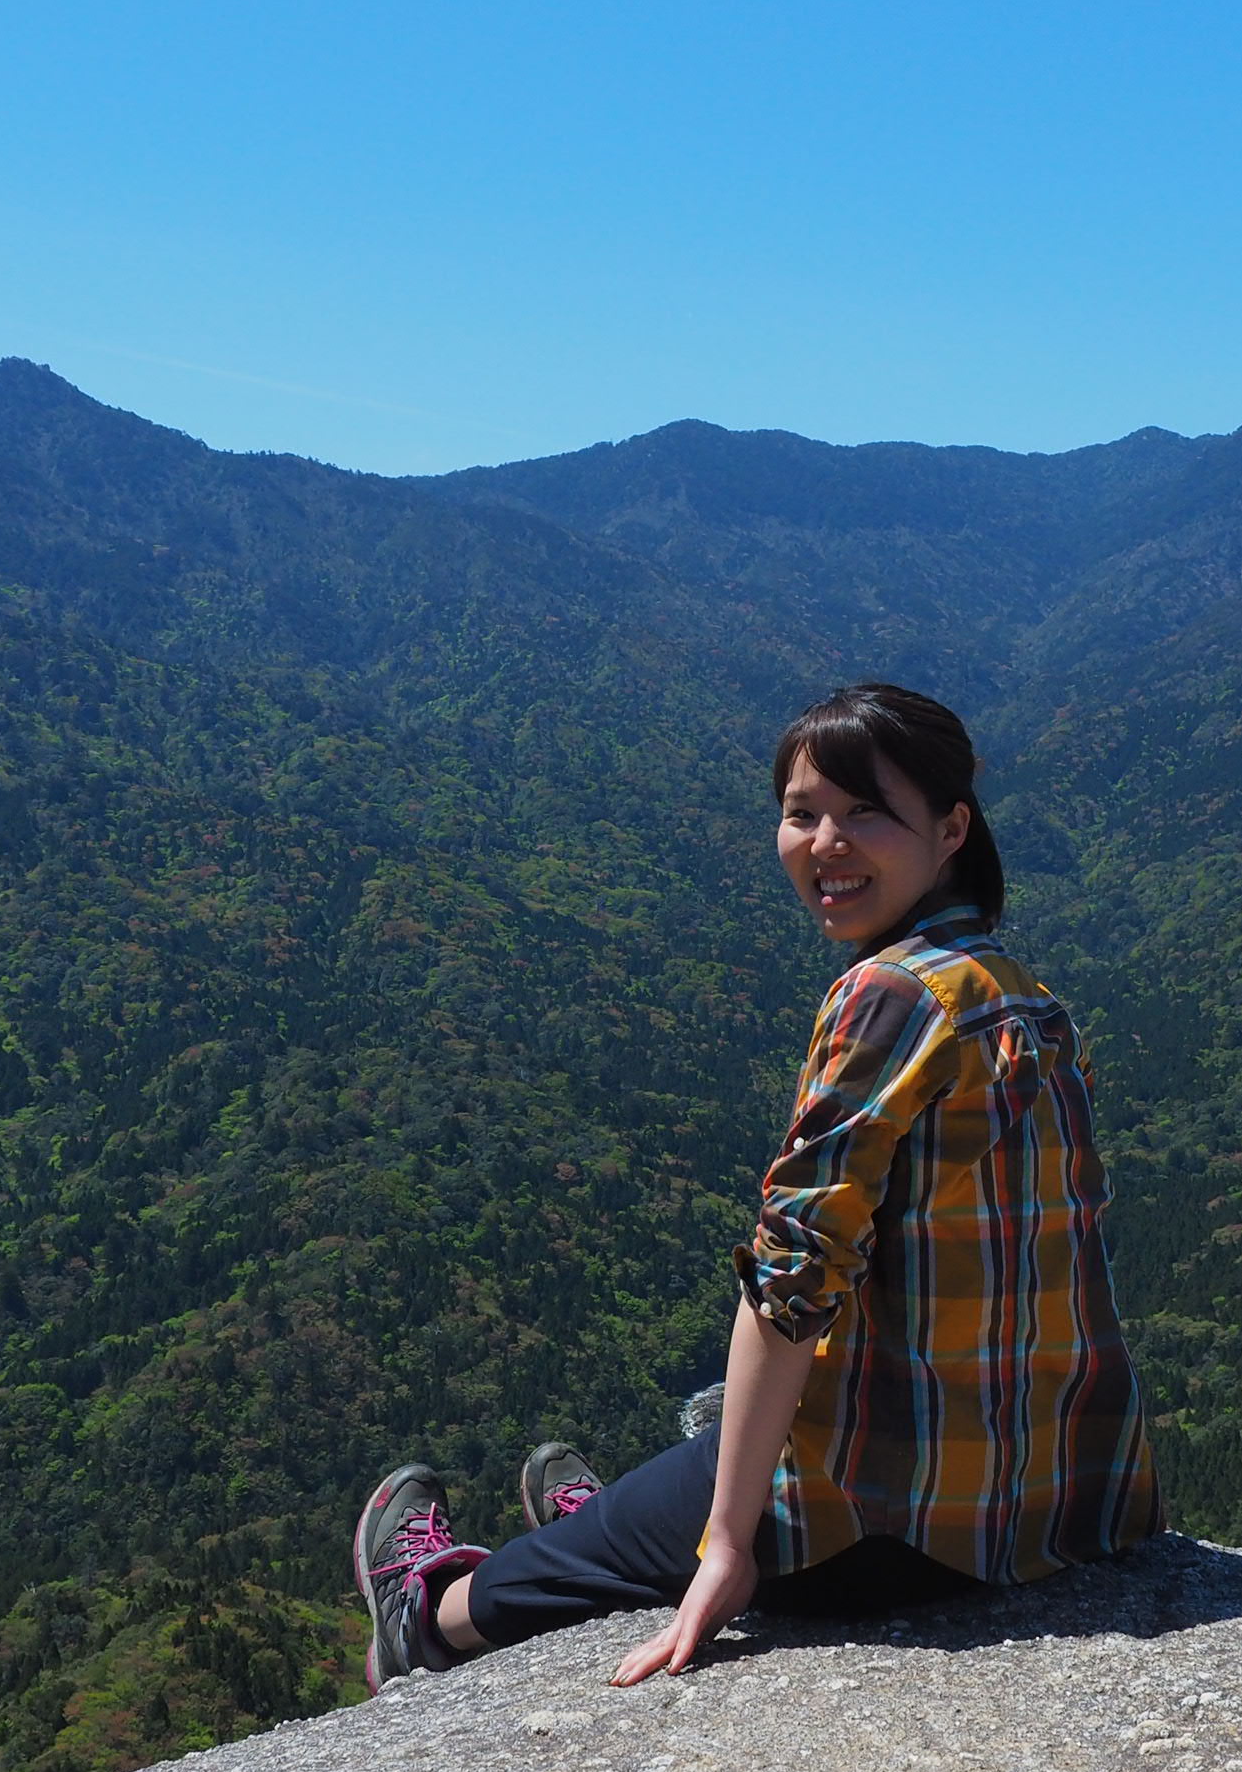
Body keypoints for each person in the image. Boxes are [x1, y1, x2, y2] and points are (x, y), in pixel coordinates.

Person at [351, 682, 1163, 1691]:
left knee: (665, 1514)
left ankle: (423, 1616)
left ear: (950, 828)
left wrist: (726, 1545)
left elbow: (790, 1280)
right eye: (801, 813)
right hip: (1058, 1504)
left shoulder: (887, 994)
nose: (827, 842)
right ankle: (628, 1520)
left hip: (881, 1541)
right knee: (705, 1426)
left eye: (866, 812)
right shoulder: (1021, 996)